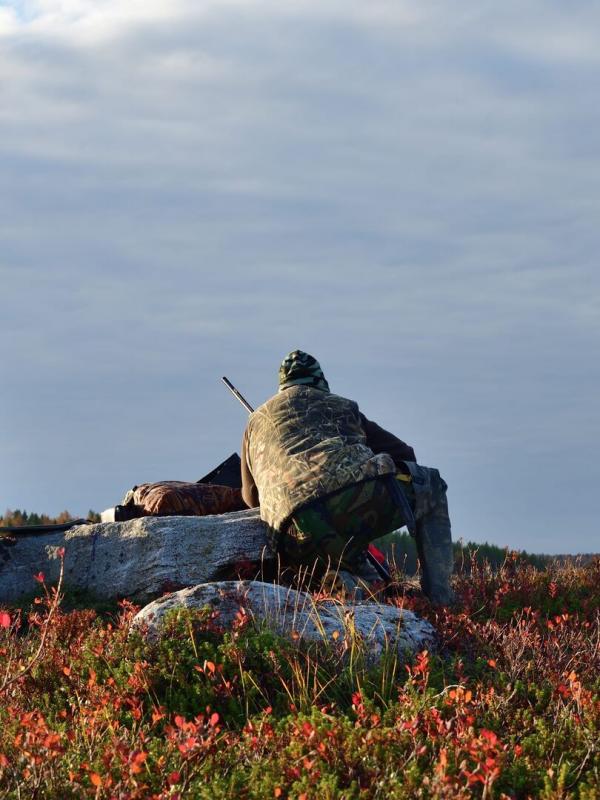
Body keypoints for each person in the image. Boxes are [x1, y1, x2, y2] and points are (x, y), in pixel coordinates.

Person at [241, 350, 454, 604]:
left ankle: (349, 584)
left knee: (356, 569)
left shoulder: (255, 423)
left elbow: (250, 497)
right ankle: (440, 599)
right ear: (320, 382)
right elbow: (406, 454)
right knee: (431, 482)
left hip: (292, 534)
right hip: (352, 504)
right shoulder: (341, 405)